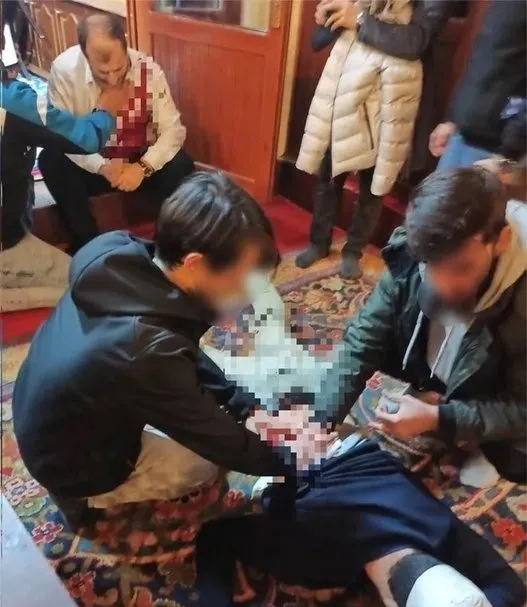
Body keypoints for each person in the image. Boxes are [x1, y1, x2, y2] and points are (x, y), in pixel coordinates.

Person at [12, 172, 335, 531]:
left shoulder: (116, 250)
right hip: (73, 464)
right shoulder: (147, 351)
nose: (248, 296)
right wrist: (294, 457)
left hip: (45, 416)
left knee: (202, 390)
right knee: (202, 467)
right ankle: (84, 498)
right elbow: (227, 446)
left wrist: (245, 406)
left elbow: (178, 348)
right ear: (195, 263)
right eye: (242, 281)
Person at [196, 436, 525, 607]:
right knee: (270, 494)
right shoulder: (311, 554)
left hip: (361, 449)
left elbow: (511, 589)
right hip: (305, 462)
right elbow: (214, 536)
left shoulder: (438, 530)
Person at [312, 162, 526, 487]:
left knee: (518, 462)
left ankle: (472, 439)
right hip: (444, 369)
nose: (441, 285)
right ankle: (439, 401)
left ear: (501, 241)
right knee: (367, 351)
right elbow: (363, 340)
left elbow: (523, 408)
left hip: (496, 385)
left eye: (461, 267)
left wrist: (442, 419)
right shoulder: (418, 245)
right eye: (431, 265)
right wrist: (320, 423)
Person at [295, 0, 452, 278]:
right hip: (345, 98)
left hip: (386, 107)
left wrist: (359, 20)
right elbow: (318, 40)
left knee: (373, 187)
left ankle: (353, 250)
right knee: (328, 177)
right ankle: (318, 243)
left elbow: (414, 41)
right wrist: (325, 19)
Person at [0, 7, 131, 311]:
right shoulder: (12, 103)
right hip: (7, 242)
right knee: (95, 288)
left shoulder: (147, 69)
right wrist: (107, 109)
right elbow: (85, 138)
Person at [38, 13, 193, 254]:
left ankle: (165, 244)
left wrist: (142, 167)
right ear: (85, 54)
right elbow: (65, 135)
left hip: (136, 162)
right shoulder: (65, 71)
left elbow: (173, 131)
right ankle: (87, 241)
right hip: (93, 162)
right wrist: (102, 166)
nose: (112, 79)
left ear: (125, 44)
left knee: (181, 164)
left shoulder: (147, 69)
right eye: (102, 73)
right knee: (51, 158)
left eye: (119, 69)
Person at [430, 0, 526, 170]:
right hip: (462, 135)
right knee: (436, 188)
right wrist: (453, 120)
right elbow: (482, 63)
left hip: (493, 150)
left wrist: (508, 153)